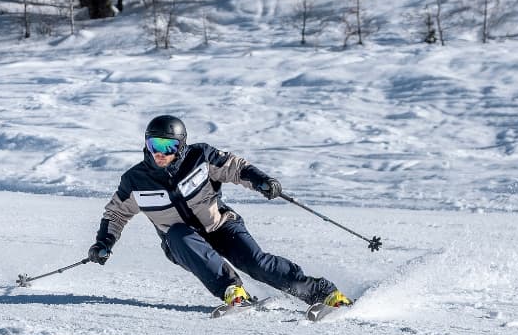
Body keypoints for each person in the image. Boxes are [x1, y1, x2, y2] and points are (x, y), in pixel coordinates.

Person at [87, 115, 352, 310]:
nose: (160, 153)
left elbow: (235, 167)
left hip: (220, 225)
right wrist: (103, 243)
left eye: (167, 147)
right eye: (154, 145)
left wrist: (261, 181)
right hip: (182, 242)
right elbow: (116, 214)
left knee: (257, 263)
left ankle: (323, 293)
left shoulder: (200, 157)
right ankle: (232, 291)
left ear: (180, 146)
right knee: (178, 234)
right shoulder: (135, 180)